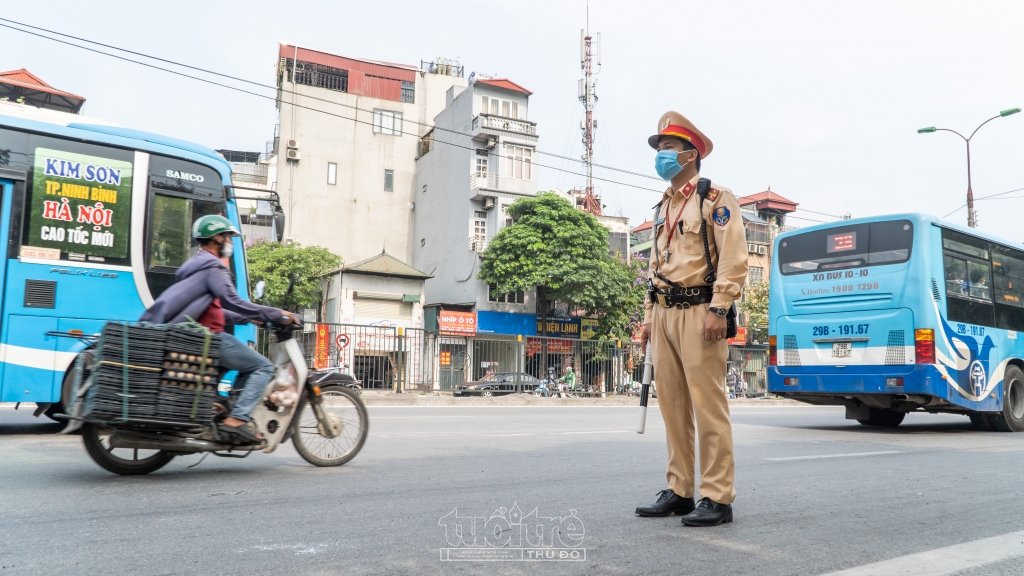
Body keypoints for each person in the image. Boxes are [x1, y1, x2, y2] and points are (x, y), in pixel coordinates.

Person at [634, 111, 748, 527]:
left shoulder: (716, 199)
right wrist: (648, 320)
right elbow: (655, 266)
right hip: (664, 313)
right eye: (659, 148)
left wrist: (720, 308)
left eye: (667, 148)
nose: (661, 155)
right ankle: (680, 490)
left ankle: (717, 496)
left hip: (701, 312)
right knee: (673, 405)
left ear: (690, 154)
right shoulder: (663, 205)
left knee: (707, 405)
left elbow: (734, 259)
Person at [140, 215, 301, 443]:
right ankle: (237, 419)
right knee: (263, 367)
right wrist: (278, 314)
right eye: (229, 238)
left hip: (199, 336)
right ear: (217, 237)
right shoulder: (213, 267)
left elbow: (214, 311)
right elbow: (232, 301)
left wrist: (249, 320)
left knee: (247, 368)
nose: (231, 244)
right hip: (210, 339)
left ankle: (225, 409)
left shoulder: (197, 266)